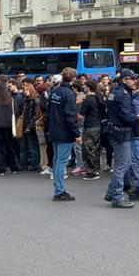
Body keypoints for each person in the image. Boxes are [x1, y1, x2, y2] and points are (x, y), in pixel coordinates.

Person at [104, 70, 139, 208]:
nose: (135, 82)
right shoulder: (123, 94)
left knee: (121, 164)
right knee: (123, 165)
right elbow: (126, 115)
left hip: (114, 131)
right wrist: (138, 118)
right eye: (133, 79)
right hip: (122, 132)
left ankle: (111, 193)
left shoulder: (115, 92)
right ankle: (117, 197)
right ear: (125, 79)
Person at [48, 67, 81, 202]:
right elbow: (70, 116)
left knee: (57, 160)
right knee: (61, 161)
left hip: (54, 129)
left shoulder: (54, 91)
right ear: (73, 79)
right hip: (64, 132)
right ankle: (59, 191)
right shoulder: (69, 94)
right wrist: (77, 134)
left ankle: (58, 188)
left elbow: (49, 111)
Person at [79, 79, 103, 180]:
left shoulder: (88, 100)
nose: (83, 87)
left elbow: (80, 115)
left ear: (88, 87)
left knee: (88, 149)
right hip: (98, 125)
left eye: (84, 86)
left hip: (89, 126)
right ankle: (96, 169)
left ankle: (91, 172)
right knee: (95, 149)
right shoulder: (98, 97)